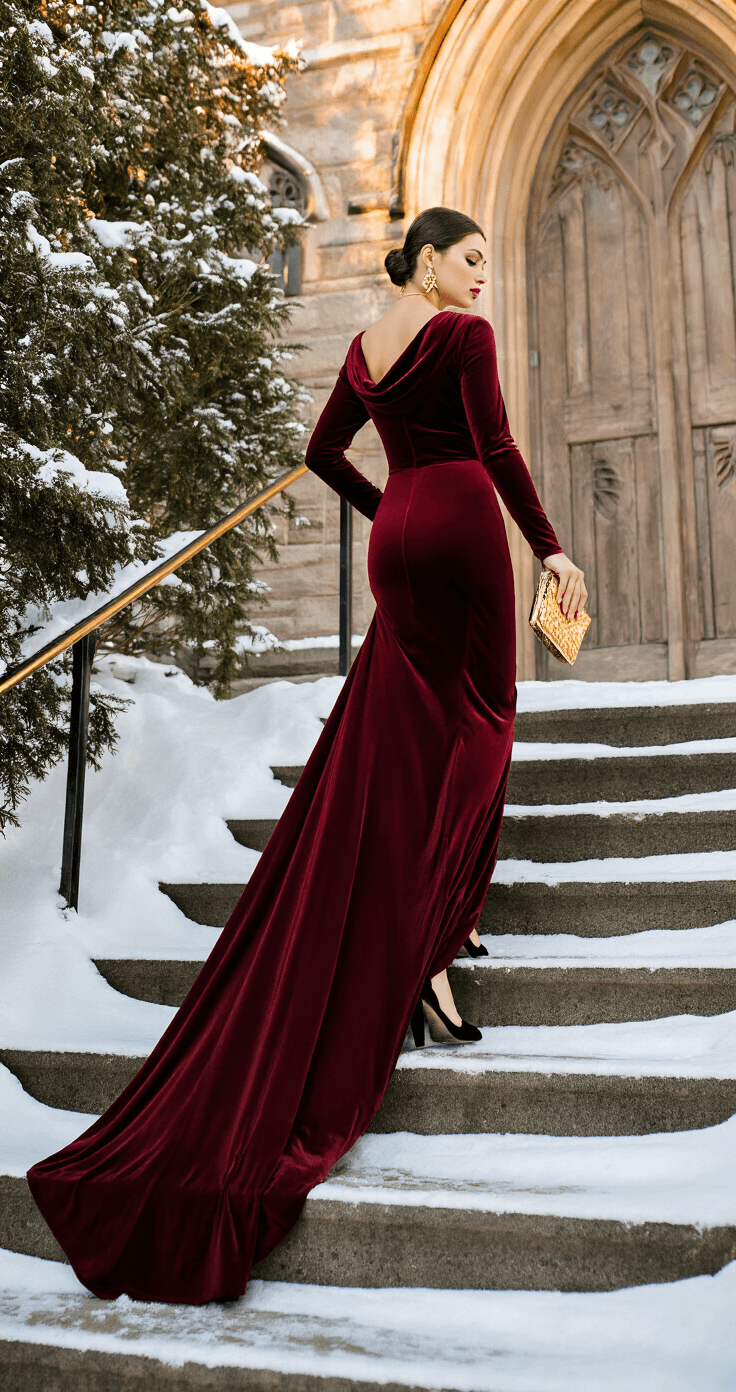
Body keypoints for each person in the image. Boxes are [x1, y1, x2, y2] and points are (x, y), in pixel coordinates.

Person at [27, 206, 586, 1307]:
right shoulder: (461, 340)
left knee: (412, 739)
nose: (482, 279)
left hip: (399, 542)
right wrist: (549, 546)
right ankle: (428, 947)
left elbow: (319, 450)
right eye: (469, 260)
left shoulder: (360, 347)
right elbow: (498, 448)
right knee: (481, 729)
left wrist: (394, 509)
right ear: (427, 261)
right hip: (466, 524)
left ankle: (436, 927)